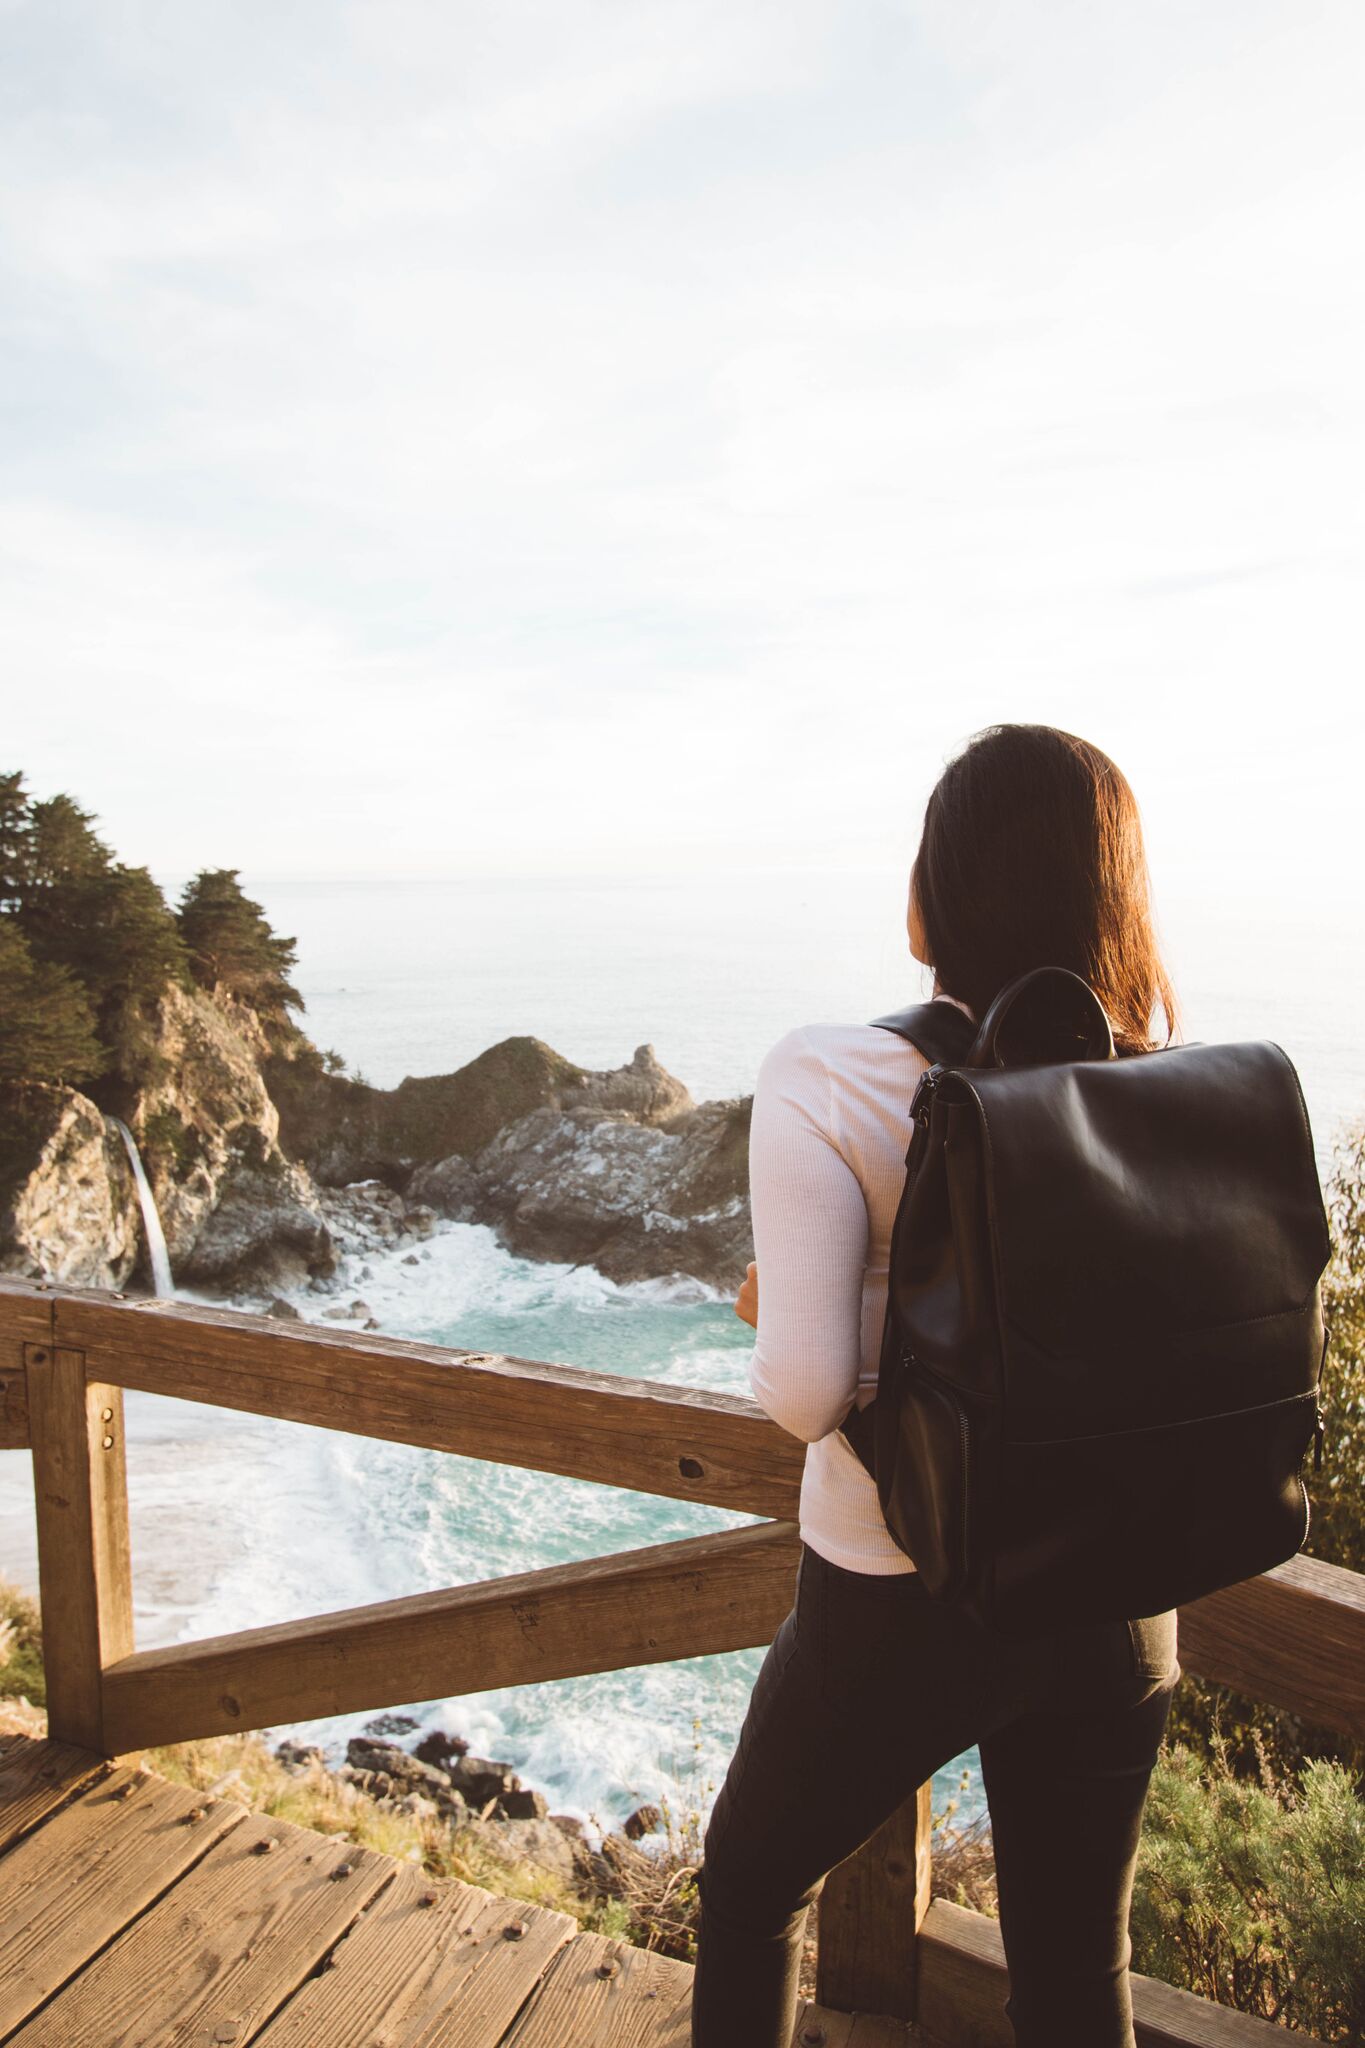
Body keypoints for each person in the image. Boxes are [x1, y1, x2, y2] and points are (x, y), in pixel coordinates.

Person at [690, 724, 1183, 2048]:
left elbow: (802, 1392)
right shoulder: (1159, 1090)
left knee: (745, 1896)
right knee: (1077, 1976)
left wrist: (769, 1311)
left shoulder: (831, 1072)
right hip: (1115, 1599)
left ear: (932, 897)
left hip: (895, 1599)